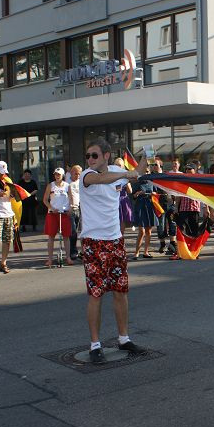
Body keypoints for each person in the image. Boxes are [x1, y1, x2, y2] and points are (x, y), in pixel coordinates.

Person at [78, 138, 149, 363]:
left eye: (94, 155)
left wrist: (147, 156)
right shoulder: (86, 175)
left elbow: (137, 172)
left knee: (121, 291)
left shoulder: (117, 170)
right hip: (93, 242)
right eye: (88, 156)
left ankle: (124, 338)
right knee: (96, 294)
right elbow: (101, 179)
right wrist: (125, 175)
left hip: (115, 240)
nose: (89, 159)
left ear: (106, 156)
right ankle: (95, 345)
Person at [169, 163, 202, 260]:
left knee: (194, 232)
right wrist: (176, 208)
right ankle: (181, 253)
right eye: (187, 169)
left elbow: (204, 197)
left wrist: (206, 209)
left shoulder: (198, 181)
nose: (188, 170)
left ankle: (194, 252)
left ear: (194, 171)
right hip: (183, 209)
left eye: (190, 169)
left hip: (195, 209)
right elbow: (178, 196)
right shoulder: (182, 181)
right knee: (182, 232)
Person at [43, 167, 73, 267]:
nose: (57, 176)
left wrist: (70, 209)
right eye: (56, 174)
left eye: (59, 174)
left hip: (64, 213)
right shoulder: (50, 185)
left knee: (66, 236)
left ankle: (68, 257)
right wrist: (51, 208)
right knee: (51, 236)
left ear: (63, 175)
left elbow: (71, 199)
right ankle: (50, 259)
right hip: (52, 214)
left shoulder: (67, 186)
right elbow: (45, 200)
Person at [130, 167, 158, 260]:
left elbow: (156, 192)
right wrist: (138, 193)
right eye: (144, 171)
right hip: (140, 207)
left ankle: (146, 252)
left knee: (148, 231)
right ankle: (136, 252)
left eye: (147, 171)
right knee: (141, 232)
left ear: (149, 172)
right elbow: (133, 195)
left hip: (149, 206)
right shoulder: (137, 182)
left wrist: (153, 193)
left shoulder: (151, 182)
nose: (145, 173)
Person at [68, 165, 82, 259]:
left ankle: (84, 251)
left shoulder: (82, 183)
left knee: (83, 231)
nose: (77, 176)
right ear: (71, 173)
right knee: (73, 232)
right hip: (72, 209)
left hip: (82, 208)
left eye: (79, 174)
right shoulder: (66, 183)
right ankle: (73, 251)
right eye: (75, 173)